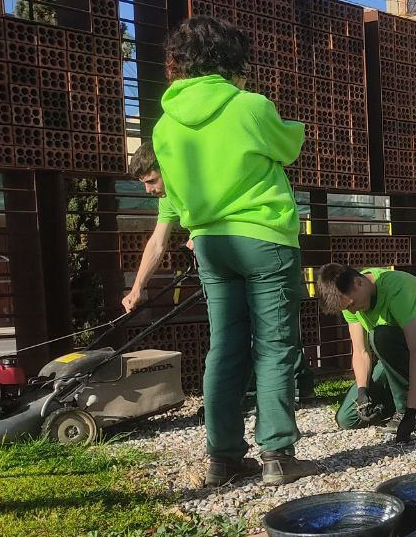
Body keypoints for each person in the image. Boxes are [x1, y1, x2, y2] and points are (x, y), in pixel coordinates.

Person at [146, 15, 319, 486]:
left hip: (209, 243)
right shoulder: (249, 106)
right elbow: (289, 147)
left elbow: (175, 199)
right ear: (230, 63)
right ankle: (278, 455)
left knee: (224, 349)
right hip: (264, 237)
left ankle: (222, 457)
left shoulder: (164, 127)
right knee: (275, 346)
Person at [123, 141, 315, 405]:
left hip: (256, 248)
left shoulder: (201, 174)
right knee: (238, 328)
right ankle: (256, 390)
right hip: (222, 261)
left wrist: (202, 234)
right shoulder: (169, 198)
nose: (149, 189)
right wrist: (137, 288)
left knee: (271, 325)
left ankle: (294, 384)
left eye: (152, 180)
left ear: (167, 168)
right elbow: (157, 242)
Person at [316, 264, 416, 439]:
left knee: (380, 336)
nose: (352, 311)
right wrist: (362, 393)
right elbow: (360, 352)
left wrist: (409, 413)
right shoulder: (349, 301)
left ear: (359, 282)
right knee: (348, 418)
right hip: (394, 355)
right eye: (346, 309)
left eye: (352, 305)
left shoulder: (398, 289)